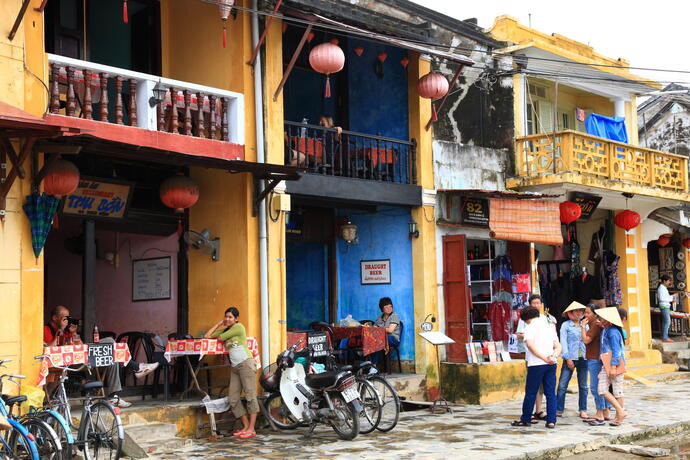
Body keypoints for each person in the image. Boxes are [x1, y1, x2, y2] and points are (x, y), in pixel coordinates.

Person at [44, 306, 159, 408]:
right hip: (64, 364)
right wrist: (59, 332)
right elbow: (49, 349)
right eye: (65, 317)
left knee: (111, 357)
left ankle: (113, 396)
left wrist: (74, 333)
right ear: (55, 318)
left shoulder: (68, 331)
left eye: (68, 317)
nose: (67, 320)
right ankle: (136, 367)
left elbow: (79, 347)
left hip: (80, 360)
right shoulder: (46, 329)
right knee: (110, 347)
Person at [204, 307, 258, 439]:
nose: (227, 319)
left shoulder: (239, 327)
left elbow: (219, 338)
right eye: (226, 317)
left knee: (250, 396)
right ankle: (245, 426)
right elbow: (207, 336)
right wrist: (218, 324)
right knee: (233, 398)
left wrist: (220, 330)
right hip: (235, 367)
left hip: (245, 364)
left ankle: (251, 429)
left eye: (230, 317)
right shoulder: (227, 329)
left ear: (236, 319)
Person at [511, 306, 561, 428]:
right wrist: (552, 357)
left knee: (531, 392)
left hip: (536, 364)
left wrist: (544, 358)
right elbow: (558, 346)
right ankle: (551, 421)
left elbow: (530, 346)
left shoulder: (530, 327)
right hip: (551, 363)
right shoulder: (550, 326)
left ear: (526, 319)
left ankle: (526, 419)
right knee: (550, 393)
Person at [595, 307, 627, 426]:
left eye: (603, 318)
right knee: (602, 389)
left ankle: (619, 417)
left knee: (618, 391)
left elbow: (616, 350)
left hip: (615, 364)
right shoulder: (606, 330)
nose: (600, 320)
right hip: (606, 364)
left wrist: (613, 367)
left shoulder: (613, 332)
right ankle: (620, 411)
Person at [556, 302, 588, 419]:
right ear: (571, 312)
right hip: (570, 358)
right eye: (576, 310)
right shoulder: (566, 325)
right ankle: (559, 408)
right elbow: (563, 342)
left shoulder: (585, 325)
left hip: (584, 358)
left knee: (583, 386)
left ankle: (583, 409)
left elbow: (588, 339)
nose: (579, 313)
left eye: (581, 311)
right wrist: (567, 358)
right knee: (562, 385)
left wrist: (584, 326)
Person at [371, 297, 401, 368]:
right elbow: (373, 329)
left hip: (393, 339)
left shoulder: (394, 316)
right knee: (371, 341)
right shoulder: (379, 318)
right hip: (382, 339)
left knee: (378, 340)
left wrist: (378, 329)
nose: (389, 308)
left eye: (390, 306)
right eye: (386, 307)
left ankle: (373, 366)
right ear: (382, 309)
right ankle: (370, 365)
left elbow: (390, 330)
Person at [657, 275, 676, 343]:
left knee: (665, 322)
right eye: (668, 281)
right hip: (664, 306)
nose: (669, 282)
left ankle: (665, 336)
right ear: (664, 281)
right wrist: (671, 299)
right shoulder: (661, 288)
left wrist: (672, 297)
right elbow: (662, 298)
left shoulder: (663, 288)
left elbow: (666, 297)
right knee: (667, 322)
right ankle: (665, 337)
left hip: (666, 306)